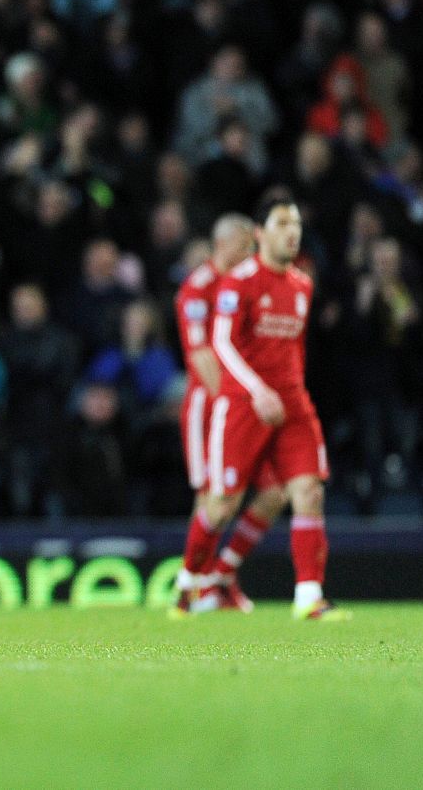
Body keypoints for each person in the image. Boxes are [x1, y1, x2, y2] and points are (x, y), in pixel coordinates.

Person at [198, 195, 348, 620]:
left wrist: (289, 393)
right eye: (282, 223)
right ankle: (196, 580)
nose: (292, 232)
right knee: (223, 502)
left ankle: (308, 596)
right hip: (246, 403)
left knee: (308, 491)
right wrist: (256, 390)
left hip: (292, 405)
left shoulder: (302, 285)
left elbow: (294, 352)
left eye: (296, 224)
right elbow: (221, 343)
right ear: (260, 233)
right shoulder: (239, 282)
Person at [171, 213, 288, 615]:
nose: (252, 254)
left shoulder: (249, 283)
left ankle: (222, 571)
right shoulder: (197, 290)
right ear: (223, 246)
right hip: (213, 407)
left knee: (275, 493)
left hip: (248, 404)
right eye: (245, 247)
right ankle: (198, 585)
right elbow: (202, 354)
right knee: (211, 498)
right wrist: (235, 399)